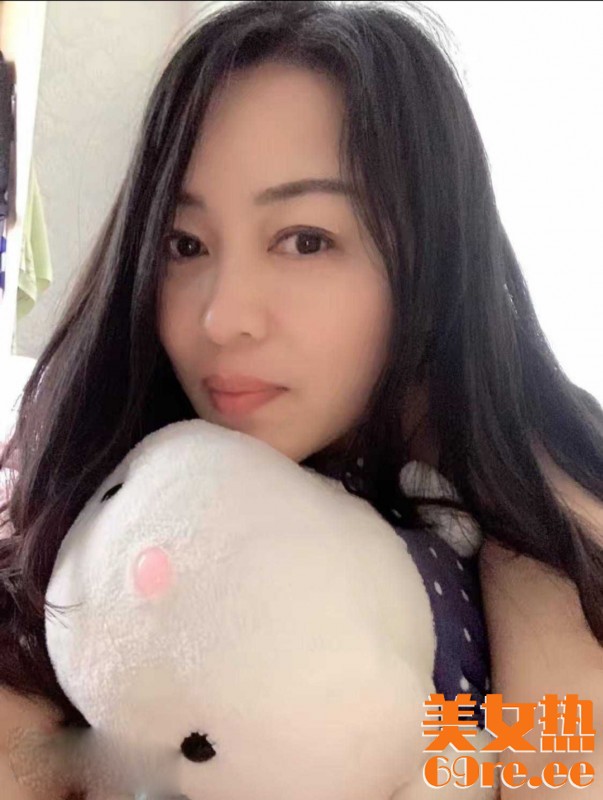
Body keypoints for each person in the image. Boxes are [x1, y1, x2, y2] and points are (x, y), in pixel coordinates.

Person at [1, 2, 602, 798]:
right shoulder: (102, 493)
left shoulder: (540, 505)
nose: (222, 318)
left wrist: (534, 551)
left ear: (431, 259)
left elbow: (561, 769)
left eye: (305, 240)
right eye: (185, 244)